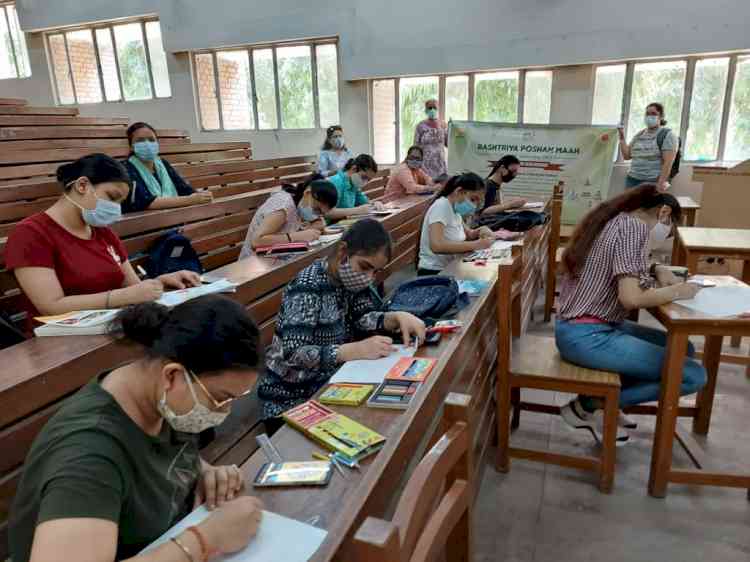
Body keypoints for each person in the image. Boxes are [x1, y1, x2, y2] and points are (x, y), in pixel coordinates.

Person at [9, 295, 265, 562]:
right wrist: (204, 540)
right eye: (220, 398)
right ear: (172, 375)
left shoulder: (157, 395)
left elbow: (153, 455)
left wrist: (203, 471)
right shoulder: (88, 454)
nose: (224, 411)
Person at [555, 184, 706, 443]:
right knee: (693, 374)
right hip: (588, 335)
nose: (665, 234)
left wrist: (656, 268)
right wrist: (680, 291)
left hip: (580, 327)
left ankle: (605, 404)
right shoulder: (634, 228)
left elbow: (624, 265)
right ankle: (594, 406)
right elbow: (631, 297)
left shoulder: (615, 220)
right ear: (664, 212)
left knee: (685, 349)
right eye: (670, 227)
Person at [257, 219, 426, 429]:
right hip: (291, 398)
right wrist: (349, 351)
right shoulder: (307, 286)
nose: (368, 278)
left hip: (332, 382)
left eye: (375, 272)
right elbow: (294, 353)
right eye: (365, 267)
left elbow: (362, 318)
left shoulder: (350, 280)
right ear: (342, 252)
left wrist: (394, 318)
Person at [4, 154, 201, 326]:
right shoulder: (31, 234)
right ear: (82, 185)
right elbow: (51, 306)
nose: (115, 208)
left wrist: (160, 284)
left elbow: (132, 288)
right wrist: (121, 297)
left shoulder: (103, 232)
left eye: (120, 203)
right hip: (59, 343)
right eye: (111, 197)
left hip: (111, 326)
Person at [122, 122, 213, 213]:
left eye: (151, 140)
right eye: (140, 140)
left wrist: (201, 195)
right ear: (131, 147)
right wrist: (191, 200)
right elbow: (145, 202)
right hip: (144, 221)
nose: (147, 144)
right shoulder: (125, 168)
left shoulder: (162, 163)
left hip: (174, 216)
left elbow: (184, 189)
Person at [238, 175, 339, 258]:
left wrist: (313, 227)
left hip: (275, 258)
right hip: (253, 262)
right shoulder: (283, 206)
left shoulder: (299, 205)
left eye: (321, 213)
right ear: (307, 193)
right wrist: (299, 236)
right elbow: (256, 241)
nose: (316, 215)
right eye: (317, 209)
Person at [417, 173, 495, 276]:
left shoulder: (455, 210)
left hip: (450, 266)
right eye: (473, 199)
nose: (474, 205)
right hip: (434, 272)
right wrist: (478, 244)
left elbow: (469, 234)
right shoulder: (441, 207)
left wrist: (481, 230)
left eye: (477, 201)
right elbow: (437, 246)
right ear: (459, 191)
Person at [619, 103, 678, 191]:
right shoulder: (639, 134)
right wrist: (622, 138)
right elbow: (627, 156)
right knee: (630, 205)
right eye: (647, 114)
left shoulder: (667, 135)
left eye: (653, 114)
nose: (650, 116)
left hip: (652, 181)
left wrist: (660, 185)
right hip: (632, 179)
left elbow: (668, 163)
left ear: (661, 117)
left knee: (649, 205)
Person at [326, 154, 384, 220]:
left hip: (343, 222)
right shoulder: (336, 182)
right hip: (329, 226)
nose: (365, 182)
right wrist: (357, 210)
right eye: (364, 177)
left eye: (368, 180)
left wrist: (374, 204)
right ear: (354, 168)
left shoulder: (353, 184)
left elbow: (364, 202)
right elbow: (328, 213)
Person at [413, 99, 448, 179]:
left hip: (440, 164)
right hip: (425, 165)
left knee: (440, 188)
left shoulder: (443, 125)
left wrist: (453, 130)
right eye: (430, 108)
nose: (432, 110)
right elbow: (415, 146)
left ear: (438, 109)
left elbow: (448, 143)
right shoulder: (420, 126)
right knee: (427, 188)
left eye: (434, 108)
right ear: (425, 110)